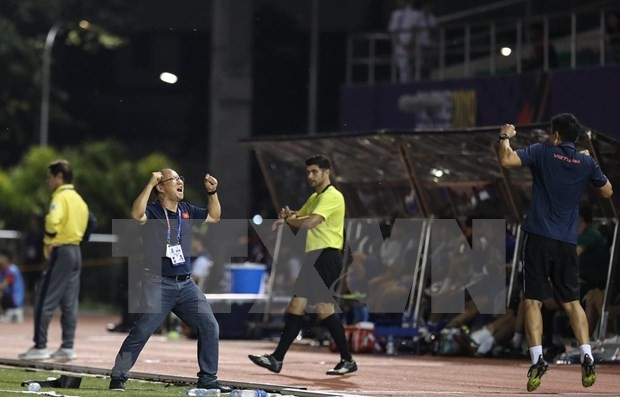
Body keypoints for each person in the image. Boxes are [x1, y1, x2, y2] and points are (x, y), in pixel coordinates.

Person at [498, 113, 613, 391]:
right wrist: (588, 165)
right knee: (572, 303)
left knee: (532, 301)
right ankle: (587, 356)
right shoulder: (585, 161)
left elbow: (507, 160)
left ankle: (538, 360)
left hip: (538, 237)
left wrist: (504, 137)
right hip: (567, 242)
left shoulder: (542, 151)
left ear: (557, 135)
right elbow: (607, 192)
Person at [108, 169, 230, 392]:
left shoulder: (186, 210)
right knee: (142, 332)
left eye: (180, 178)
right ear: (161, 188)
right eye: (173, 180)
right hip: (158, 282)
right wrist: (149, 183)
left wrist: (212, 192)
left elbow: (215, 216)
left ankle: (208, 380)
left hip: (186, 284)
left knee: (209, 326)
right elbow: (136, 214)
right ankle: (118, 376)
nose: (180, 182)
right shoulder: (154, 211)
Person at [248, 154, 357, 375]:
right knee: (297, 307)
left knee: (324, 309)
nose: (310, 175)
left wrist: (290, 220)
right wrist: (289, 217)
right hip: (314, 257)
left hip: (326, 256)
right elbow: (300, 218)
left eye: (315, 171)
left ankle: (348, 360)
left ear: (327, 172)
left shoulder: (332, 196)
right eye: (308, 172)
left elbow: (311, 222)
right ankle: (277, 359)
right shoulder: (315, 198)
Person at [19, 159, 89, 361]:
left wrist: (51, 238)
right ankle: (67, 346)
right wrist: (75, 238)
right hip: (75, 251)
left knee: (44, 298)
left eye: (49, 177)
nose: (47, 181)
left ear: (59, 176)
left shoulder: (60, 197)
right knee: (69, 302)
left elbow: (52, 221)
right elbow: (91, 221)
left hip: (60, 251)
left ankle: (40, 346)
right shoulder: (79, 199)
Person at [577, 205, 610, 338]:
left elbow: (571, 255)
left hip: (592, 284)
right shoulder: (577, 235)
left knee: (593, 296)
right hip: (582, 283)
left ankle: (586, 342)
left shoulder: (591, 235)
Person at [388, 0, 418, 82]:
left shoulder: (413, 14)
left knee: (410, 71)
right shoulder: (395, 14)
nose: (398, 2)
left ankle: (408, 88)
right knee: (402, 70)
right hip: (399, 47)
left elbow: (416, 30)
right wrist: (398, 43)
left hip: (411, 47)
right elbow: (392, 31)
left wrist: (412, 44)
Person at [0, 249, 25, 323]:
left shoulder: (12, 270)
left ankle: (1, 314)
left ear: (6, 260)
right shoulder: (2, 271)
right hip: (8, 296)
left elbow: (4, 284)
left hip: (15, 298)